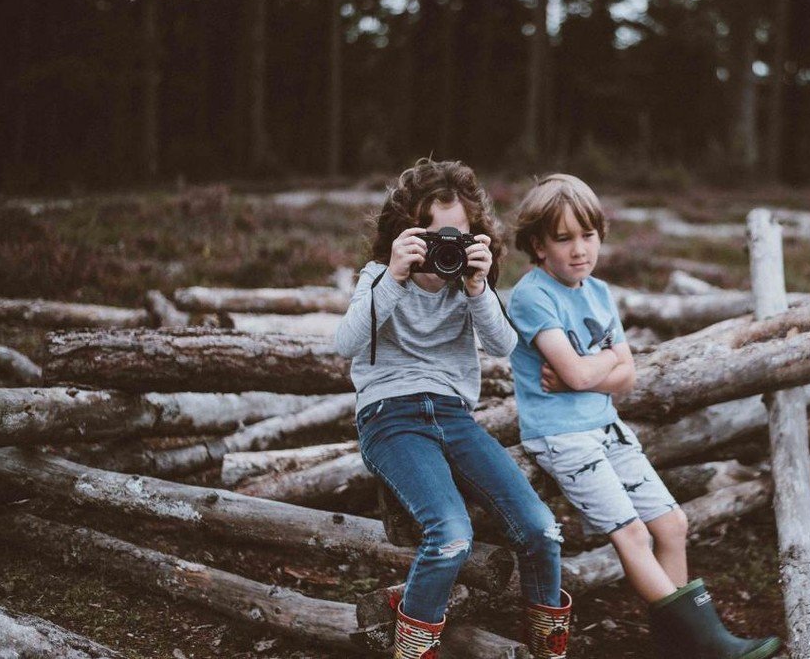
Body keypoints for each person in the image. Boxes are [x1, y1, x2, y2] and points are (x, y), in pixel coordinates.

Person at [507, 173, 782, 659]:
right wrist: (602, 365)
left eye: (587, 236)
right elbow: (576, 371)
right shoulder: (532, 296)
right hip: (563, 436)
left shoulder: (598, 292)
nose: (579, 250)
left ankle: (680, 646)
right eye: (564, 238)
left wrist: (596, 371)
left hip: (606, 426)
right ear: (538, 244)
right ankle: (707, 643)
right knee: (632, 533)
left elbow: (624, 376)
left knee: (672, 523)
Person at [334, 158, 571, 659]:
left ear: (473, 237)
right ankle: (414, 651)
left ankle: (549, 651)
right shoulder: (378, 276)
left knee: (543, 529)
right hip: (389, 418)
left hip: (454, 416)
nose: (444, 247)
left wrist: (479, 287)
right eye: (429, 233)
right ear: (404, 232)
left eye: (456, 236)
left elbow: (504, 345)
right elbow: (346, 343)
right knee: (450, 535)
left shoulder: (469, 286)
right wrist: (394, 277)